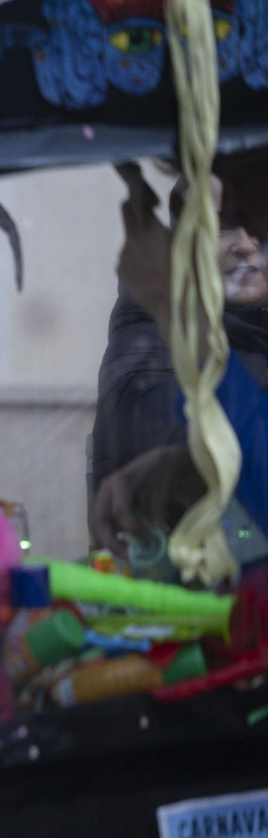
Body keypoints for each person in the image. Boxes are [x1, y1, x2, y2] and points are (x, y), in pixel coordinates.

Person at [92, 162, 268, 551]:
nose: (246, 244)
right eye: (221, 226)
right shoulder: (148, 337)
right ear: (181, 244)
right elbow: (174, 444)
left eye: (260, 226)